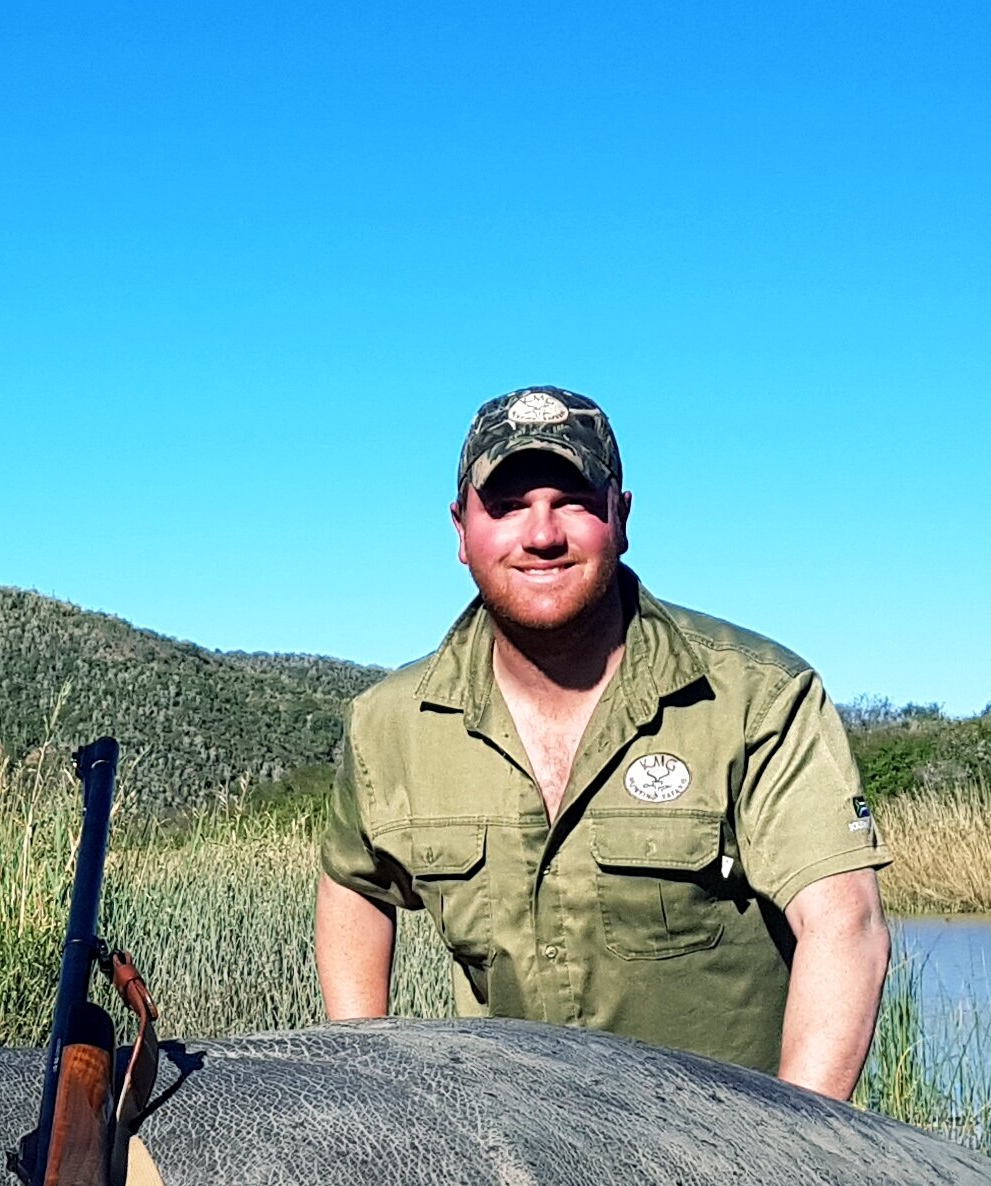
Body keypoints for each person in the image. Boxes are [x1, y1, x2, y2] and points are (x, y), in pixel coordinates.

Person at [315, 386, 890, 1095]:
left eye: (573, 500)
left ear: (621, 517)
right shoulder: (388, 724)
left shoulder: (757, 697)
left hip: (720, 1158)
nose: (542, 532)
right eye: (507, 506)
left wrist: (795, 1156)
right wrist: (368, 1076)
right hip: (512, 1156)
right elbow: (353, 883)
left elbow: (844, 923)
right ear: (461, 530)